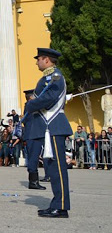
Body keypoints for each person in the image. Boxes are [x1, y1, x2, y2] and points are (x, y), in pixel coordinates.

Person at [23, 48, 72, 218]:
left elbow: (49, 98)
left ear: (46, 60)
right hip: (47, 128)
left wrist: (30, 105)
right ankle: (57, 203)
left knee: (57, 168)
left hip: (54, 126)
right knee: (51, 168)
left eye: (38, 59)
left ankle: (61, 206)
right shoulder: (48, 78)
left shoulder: (55, 77)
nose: (36, 62)